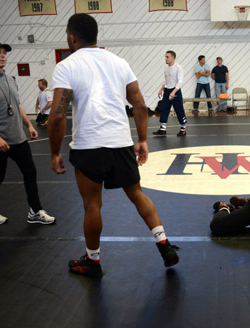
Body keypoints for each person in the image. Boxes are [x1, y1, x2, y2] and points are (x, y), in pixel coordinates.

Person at [48, 14, 179, 278]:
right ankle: (164, 244)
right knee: (137, 194)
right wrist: (141, 140)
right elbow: (140, 105)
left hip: (88, 147)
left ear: (72, 36)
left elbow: (58, 115)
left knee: (92, 205)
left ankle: (93, 261)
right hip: (121, 143)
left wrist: (54, 152)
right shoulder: (119, 63)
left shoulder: (67, 66)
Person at [0, 40, 55, 225]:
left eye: (4, 52)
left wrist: (29, 126)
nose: (2, 55)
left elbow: (16, 105)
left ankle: (35, 211)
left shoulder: (9, 79)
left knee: (30, 172)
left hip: (18, 137)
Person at [153, 50, 187, 136]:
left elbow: (180, 81)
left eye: (167, 57)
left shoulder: (178, 67)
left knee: (179, 110)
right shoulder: (166, 67)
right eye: (165, 56)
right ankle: (162, 129)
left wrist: (173, 92)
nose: (165, 58)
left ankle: (183, 128)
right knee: (164, 109)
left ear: (173, 57)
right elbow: (166, 80)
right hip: (167, 90)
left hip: (175, 91)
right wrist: (161, 89)